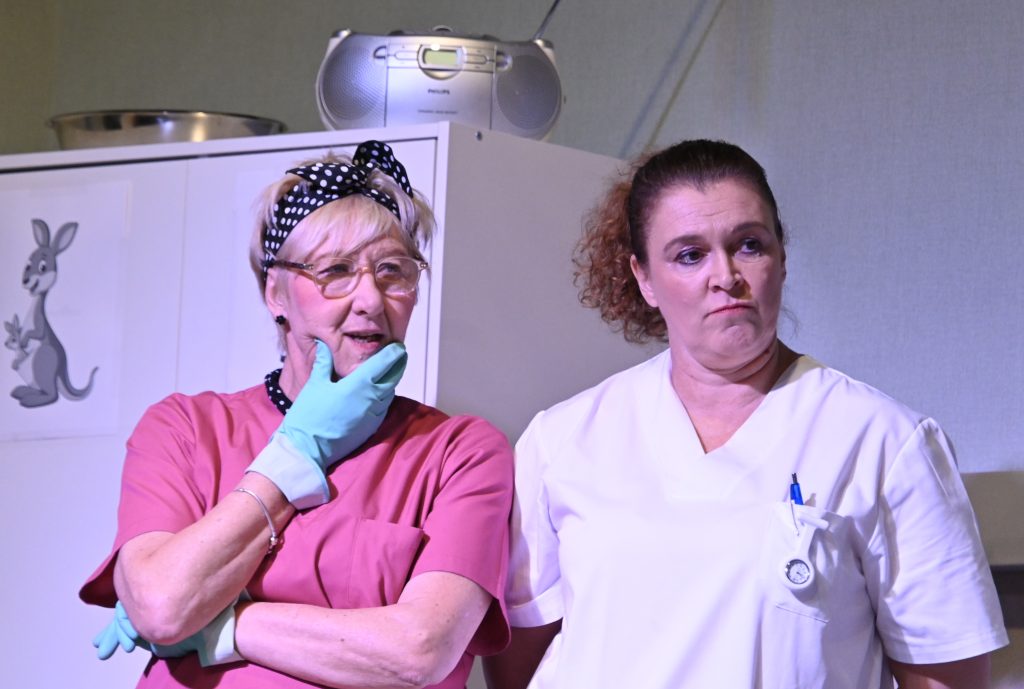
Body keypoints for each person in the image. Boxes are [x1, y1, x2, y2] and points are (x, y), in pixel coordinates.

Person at [482, 139, 1008, 689]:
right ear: (644, 278)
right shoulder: (562, 441)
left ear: (782, 257)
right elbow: (517, 667)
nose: (726, 275)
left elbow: (947, 676)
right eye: (690, 255)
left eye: (749, 245)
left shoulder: (884, 442)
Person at [81, 140, 514, 688]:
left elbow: (418, 652)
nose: (371, 300)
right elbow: (162, 607)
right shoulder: (186, 430)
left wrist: (223, 626)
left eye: (392, 271)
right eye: (336, 270)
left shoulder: (460, 452)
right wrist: (295, 455)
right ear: (275, 293)